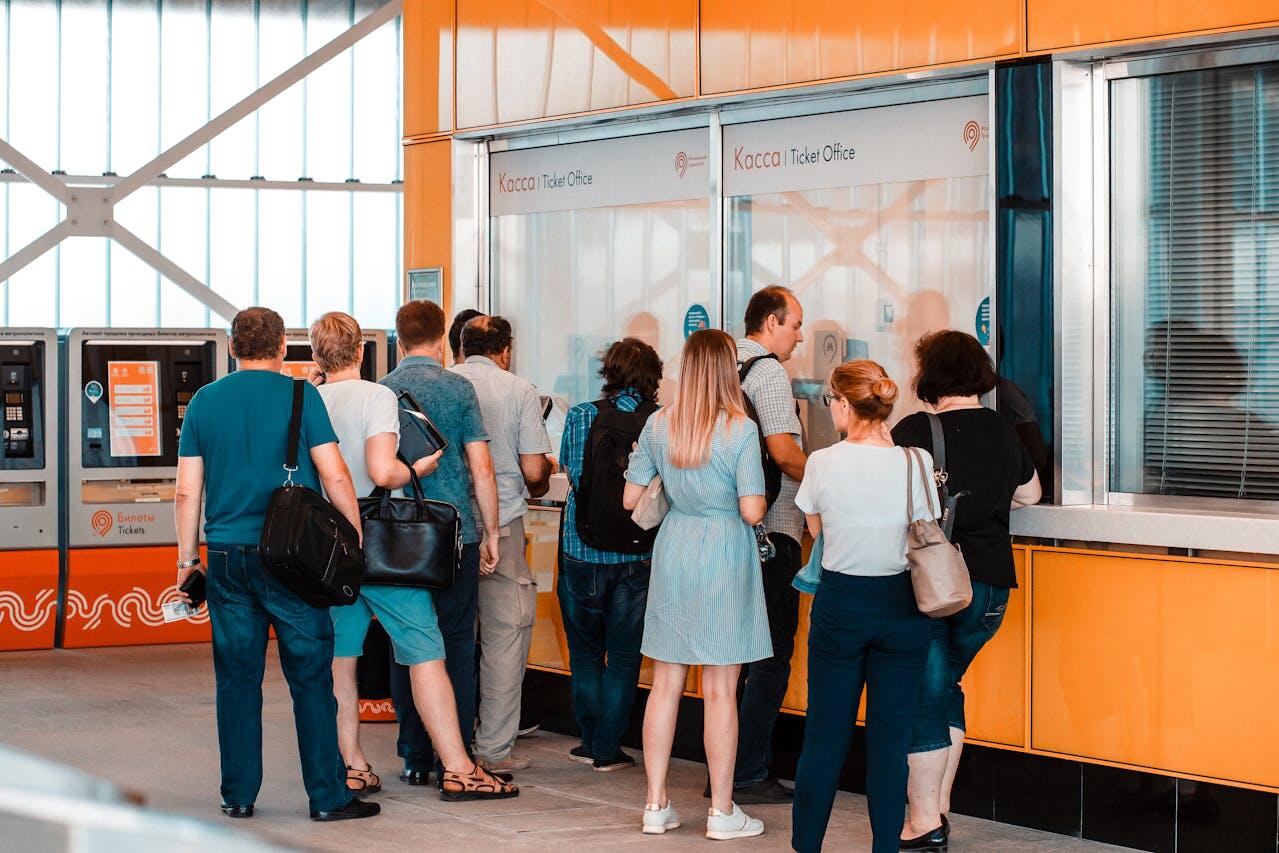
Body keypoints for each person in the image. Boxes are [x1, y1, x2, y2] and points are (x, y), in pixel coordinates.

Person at [173, 307, 378, 822]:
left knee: (236, 680)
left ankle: (238, 795)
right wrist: (352, 540)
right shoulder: (300, 395)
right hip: (291, 558)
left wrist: (186, 561)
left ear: (231, 346)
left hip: (224, 558)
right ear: (284, 346)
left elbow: (184, 492)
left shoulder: (203, 401)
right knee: (311, 677)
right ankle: (328, 798)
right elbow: (334, 476)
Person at [309, 312, 516, 802]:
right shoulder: (377, 396)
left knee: (341, 662)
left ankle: (353, 766)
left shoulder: (308, 399)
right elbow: (382, 473)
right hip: (379, 542)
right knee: (426, 652)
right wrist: (417, 466)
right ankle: (459, 769)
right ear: (360, 351)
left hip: (328, 548)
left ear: (316, 355)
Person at [892, 331, 1042, 851]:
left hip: (932, 583)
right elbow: (1030, 493)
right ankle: (940, 805)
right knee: (946, 686)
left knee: (924, 696)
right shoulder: (1004, 429)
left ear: (930, 374)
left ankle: (922, 822)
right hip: (990, 588)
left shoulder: (913, 429)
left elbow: (890, 499)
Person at [622, 329, 771, 841]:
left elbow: (629, 498)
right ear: (729, 371)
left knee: (665, 684)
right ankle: (722, 811)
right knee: (720, 690)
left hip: (675, 546)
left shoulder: (660, 424)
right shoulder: (740, 429)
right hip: (725, 550)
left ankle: (655, 803)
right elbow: (752, 508)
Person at [789, 361, 934, 853]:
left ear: (846, 404)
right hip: (903, 609)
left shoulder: (823, 463)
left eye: (832, 401)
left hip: (841, 605)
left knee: (825, 738)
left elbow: (815, 530)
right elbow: (923, 530)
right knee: (890, 744)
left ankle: (807, 846)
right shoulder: (914, 463)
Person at [380, 300, 502, 787]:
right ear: (441, 339)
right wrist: (491, 531)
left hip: (398, 538)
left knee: (406, 644)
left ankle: (413, 754)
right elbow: (482, 467)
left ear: (399, 338)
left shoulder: (381, 391)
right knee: (455, 643)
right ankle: (459, 753)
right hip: (455, 535)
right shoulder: (458, 388)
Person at [452, 315, 554, 773]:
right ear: (505, 350)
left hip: (444, 530)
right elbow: (534, 470)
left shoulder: (443, 383)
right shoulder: (518, 389)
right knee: (505, 636)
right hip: (503, 528)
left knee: (447, 637)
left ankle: (443, 743)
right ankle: (491, 751)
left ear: (461, 346)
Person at [558, 338, 663, 772]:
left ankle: (588, 740)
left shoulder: (583, 415)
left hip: (581, 549)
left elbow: (570, 471)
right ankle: (608, 748)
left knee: (584, 652)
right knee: (623, 655)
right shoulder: (660, 422)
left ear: (609, 372)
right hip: (636, 554)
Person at [733, 285, 808, 804]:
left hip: (724, 532)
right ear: (769, 323)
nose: (800, 336)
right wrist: (832, 472)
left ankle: (724, 763)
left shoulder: (715, 365)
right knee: (771, 655)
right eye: (795, 325)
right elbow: (783, 453)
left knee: (731, 655)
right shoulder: (768, 372)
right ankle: (750, 769)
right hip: (772, 532)